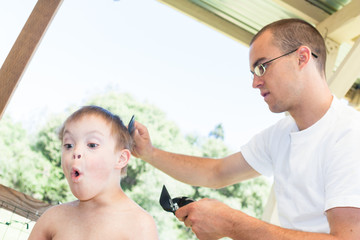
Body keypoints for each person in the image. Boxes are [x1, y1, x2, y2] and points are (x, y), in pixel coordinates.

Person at [131, 18, 360, 239]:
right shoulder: (280, 135)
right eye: (253, 73)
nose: (255, 83)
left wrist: (229, 223)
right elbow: (216, 172)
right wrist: (149, 153)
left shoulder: (350, 134)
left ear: (302, 58)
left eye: (262, 67)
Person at [29, 106, 158, 240]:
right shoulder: (53, 218)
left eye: (92, 145)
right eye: (68, 145)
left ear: (120, 159)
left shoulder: (140, 225)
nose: (76, 152)